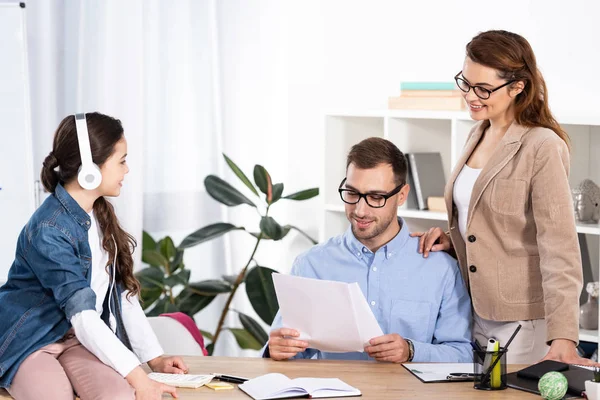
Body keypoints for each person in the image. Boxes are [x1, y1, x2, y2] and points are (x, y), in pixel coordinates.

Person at [412, 30, 590, 365]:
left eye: (483, 89)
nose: (470, 96)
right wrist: (453, 240)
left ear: (517, 87)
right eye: (465, 83)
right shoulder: (476, 133)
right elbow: (486, 221)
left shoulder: (542, 146)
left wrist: (564, 336)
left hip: (523, 320)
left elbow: (560, 247)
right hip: (475, 308)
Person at [0, 113, 187, 399]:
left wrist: (154, 360)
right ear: (90, 169)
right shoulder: (48, 229)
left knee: (118, 395)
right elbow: (83, 314)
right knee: (53, 395)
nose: (127, 169)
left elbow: (121, 295)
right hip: (33, 341)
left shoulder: (100, 216)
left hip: (76, 338)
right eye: (122, 161)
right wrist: (140, 379)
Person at [265, 138, 472, 363]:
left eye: (376, 197)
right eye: (352, 193)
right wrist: (277, 349)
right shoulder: (311, 264)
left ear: (402, 195)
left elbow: (463, 354)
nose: (360, 210)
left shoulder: (441, 268)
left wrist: (411, 351)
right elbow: (290, 350)